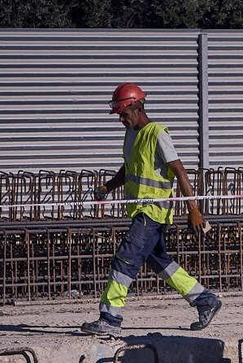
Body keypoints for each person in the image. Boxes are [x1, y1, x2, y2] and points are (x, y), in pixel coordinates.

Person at [81, 83, 221, 336]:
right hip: (141, 211)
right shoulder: (132, 134)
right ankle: (205, 300)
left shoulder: (157, 133)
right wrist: (109, 187)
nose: (121, 120)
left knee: (125, 258)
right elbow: (130, 168)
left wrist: (194, 209)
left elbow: (180, 171)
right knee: (160, 262)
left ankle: (110, 318)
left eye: (123, 114)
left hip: (153, 211)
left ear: (137, 107)